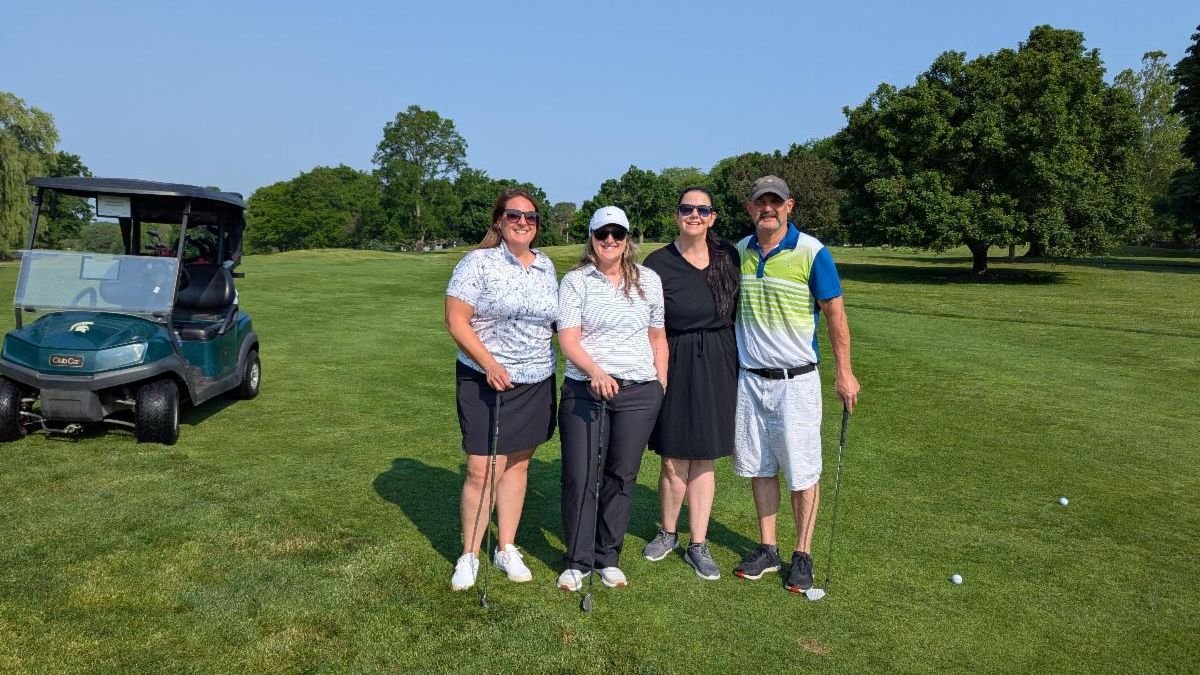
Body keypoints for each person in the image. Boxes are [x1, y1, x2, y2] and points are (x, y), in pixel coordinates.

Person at [730, 175, 860, 593]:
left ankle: (802, 553)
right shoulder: (739, 253)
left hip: (796, 381)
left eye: (775, 202)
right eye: (760, 202)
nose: (767, 208)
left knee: (802, 472)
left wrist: (844, 372)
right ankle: (768, 548)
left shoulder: (812, 252)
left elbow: (835, 314)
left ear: (790, 206)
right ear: (750, 209)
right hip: (751, 381)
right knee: (761, 466)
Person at [444, 188, 558, 591]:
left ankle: (505, 546)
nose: (523, 222)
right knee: (482, 468)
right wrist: (490, 364)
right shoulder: (478, 262)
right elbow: (456, 320)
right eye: (514, 216)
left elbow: (554, 323)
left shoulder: (546, 266)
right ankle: (470, 554)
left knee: (518, 464)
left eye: (531, 217)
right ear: (499, 221)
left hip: (536, 381)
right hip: (484, 378)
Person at [556, 205, 667, 592]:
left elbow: (657, 337)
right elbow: (568, 338)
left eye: (617, 234)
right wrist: (596, 373)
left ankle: (608, 556)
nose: (609, 241)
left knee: (622, 474)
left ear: (627, 239)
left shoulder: (649, 281)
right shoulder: (576, 281)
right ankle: (577, 559)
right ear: (591, 238)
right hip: (585, 391)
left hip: (639, 392)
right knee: (581, 474)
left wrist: (661, 385)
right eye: (602, 234)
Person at [641, 187, 739, 580]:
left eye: (702, 209)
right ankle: (668, 532)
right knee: (673, 455)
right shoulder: (657, 263)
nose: (694, 215)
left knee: (704, 456)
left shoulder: (729, 256)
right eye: (687, 208)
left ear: (713, 217)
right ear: (677, 215)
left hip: (719, 359)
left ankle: (698, 542)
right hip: (675, 358)